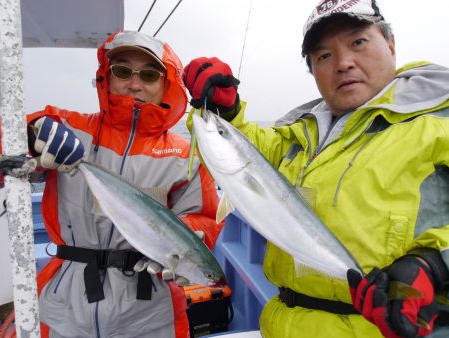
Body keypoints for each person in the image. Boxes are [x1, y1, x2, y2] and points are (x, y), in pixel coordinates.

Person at [183, 0, 449, 337]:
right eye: (324, 56)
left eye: (358, 42)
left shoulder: (439, 122)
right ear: (312, 71)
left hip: (380, 328)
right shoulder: (302, 131)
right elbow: (245, 157)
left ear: (391, 45)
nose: (343, 63)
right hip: (282, 322)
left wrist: (435, 264)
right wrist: (226, 113)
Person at [20, 30, 223, 338]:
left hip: (150, 310)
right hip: (66, 305)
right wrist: (30, 139)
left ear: (165, 85)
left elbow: (205, 220)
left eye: (150, 74)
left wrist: (188, 235)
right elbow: (5, 146)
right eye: (123, 70)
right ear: (107, 77)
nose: (135, 83)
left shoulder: (186, 156)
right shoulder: (70, 128)